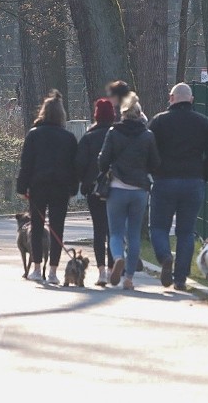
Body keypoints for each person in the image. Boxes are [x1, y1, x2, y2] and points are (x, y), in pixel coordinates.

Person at [148, 83, 208, 290]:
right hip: (193, 181)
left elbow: (148, 149)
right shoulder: (203, 123)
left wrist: (156, 172)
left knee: (159, 227)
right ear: (191, 99)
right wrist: (201, 176)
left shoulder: (159, 122)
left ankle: (164, 258)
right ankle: (180, 278)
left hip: (164, 181)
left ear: (171, 98)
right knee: (186, 232)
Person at [98, 93, 160, 289]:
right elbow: (155, 163)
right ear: (139, 113)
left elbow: (102, 161)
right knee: (134, 235)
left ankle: (117, 258)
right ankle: (129, 279)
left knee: (116, 233)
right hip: (139, 191)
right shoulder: (147, 136)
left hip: (116, 188)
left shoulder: (113, 132)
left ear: (122, 113)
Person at [16, 90, 78, 284]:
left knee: (36, 226)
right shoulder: (68, 138)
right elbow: (73, 166)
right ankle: (52, 272)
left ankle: (36, 268)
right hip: (60, 188)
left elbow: (27, 163)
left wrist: (22, 186)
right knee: (57, 229)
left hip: (38, 186)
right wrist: (73, 188)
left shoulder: (34, 135)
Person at [75, 98, 116, 286]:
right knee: (113, 231)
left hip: (94, 189)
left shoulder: (89, 137)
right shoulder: (117, 134)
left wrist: (83, 183)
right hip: (116, 188)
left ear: (96, 114)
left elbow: (80, 164)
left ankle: (101, 272)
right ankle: (111, 268)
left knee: (98, 230)